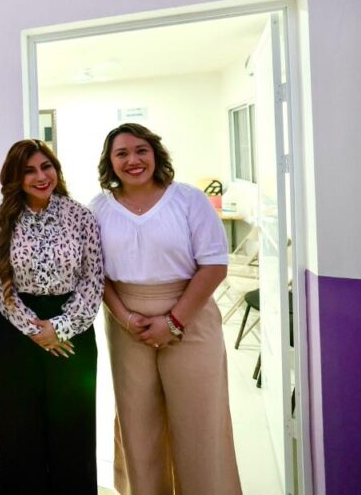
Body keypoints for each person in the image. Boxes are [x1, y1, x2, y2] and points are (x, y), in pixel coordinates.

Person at [91, 123, 242, 495]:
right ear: (110, 162)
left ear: (155, 153)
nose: (133, 160)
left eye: (141, 150)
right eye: (122, 153)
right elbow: (95, 273)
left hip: (191, 319)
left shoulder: (188, 200)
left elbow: (214, 265)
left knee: (198, 421)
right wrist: (125, 318)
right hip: (127, 325)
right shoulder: (98, 209)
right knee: (138, 423)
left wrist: (174, 322)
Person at [0, 139, 103, 493]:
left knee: (73, 427)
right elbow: (0, 284)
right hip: (16, 331)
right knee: (21, 429)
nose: (40, 176)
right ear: (15, 177)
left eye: (46, 166)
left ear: (56, 169)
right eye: (29, 171)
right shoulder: (0, 219)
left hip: (72, 330)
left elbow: (93, 280)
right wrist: (36, 331)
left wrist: (60, 328)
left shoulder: (80, 216)